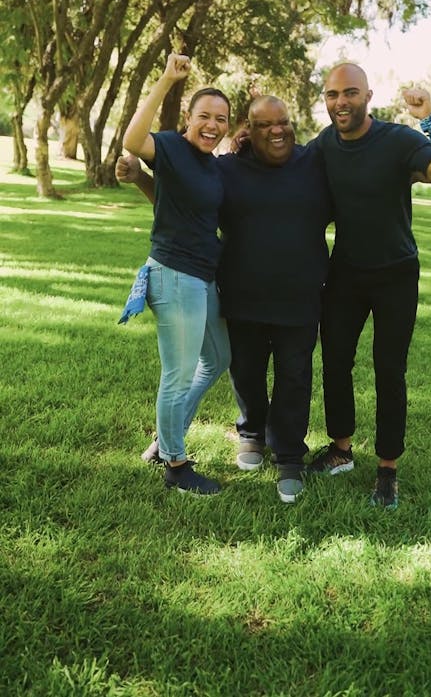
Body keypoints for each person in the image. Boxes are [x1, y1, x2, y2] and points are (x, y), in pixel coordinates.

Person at [118, 94, 334, 503]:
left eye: (282, 121)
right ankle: (206, 453)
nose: (276, 130)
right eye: (204, 116)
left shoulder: (294, 163)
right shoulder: (203, 160)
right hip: (206, 285)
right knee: (209, 372)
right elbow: (165, 182)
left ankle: (277, 456)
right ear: (247, 132)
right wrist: (141, 176)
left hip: (254, 289)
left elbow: (187, 206)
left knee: (252, 367)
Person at [308, 62, 431, 509]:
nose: (340, 102)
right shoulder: (324, 144)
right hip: (344, 272)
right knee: (335, 362)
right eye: (332, 94)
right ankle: (341, 450)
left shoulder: (399, 140)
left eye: (350, 93)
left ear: (368, 96)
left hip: (396, 274)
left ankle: (386, 469)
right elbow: (285, 174)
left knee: (389, 370)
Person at [122, 53, 231, 496]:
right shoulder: (168, 145)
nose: (212, 125)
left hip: (204, 276)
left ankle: (164, 442)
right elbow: (133, 139)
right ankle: (176, 464)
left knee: (218, 358)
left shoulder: (211, 164)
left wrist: (140, 183)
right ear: (188, 117)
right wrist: (167, 78)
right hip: (173, 274)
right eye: (204, 116)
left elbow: (172, 205)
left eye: (221, 119)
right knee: (178, 374)